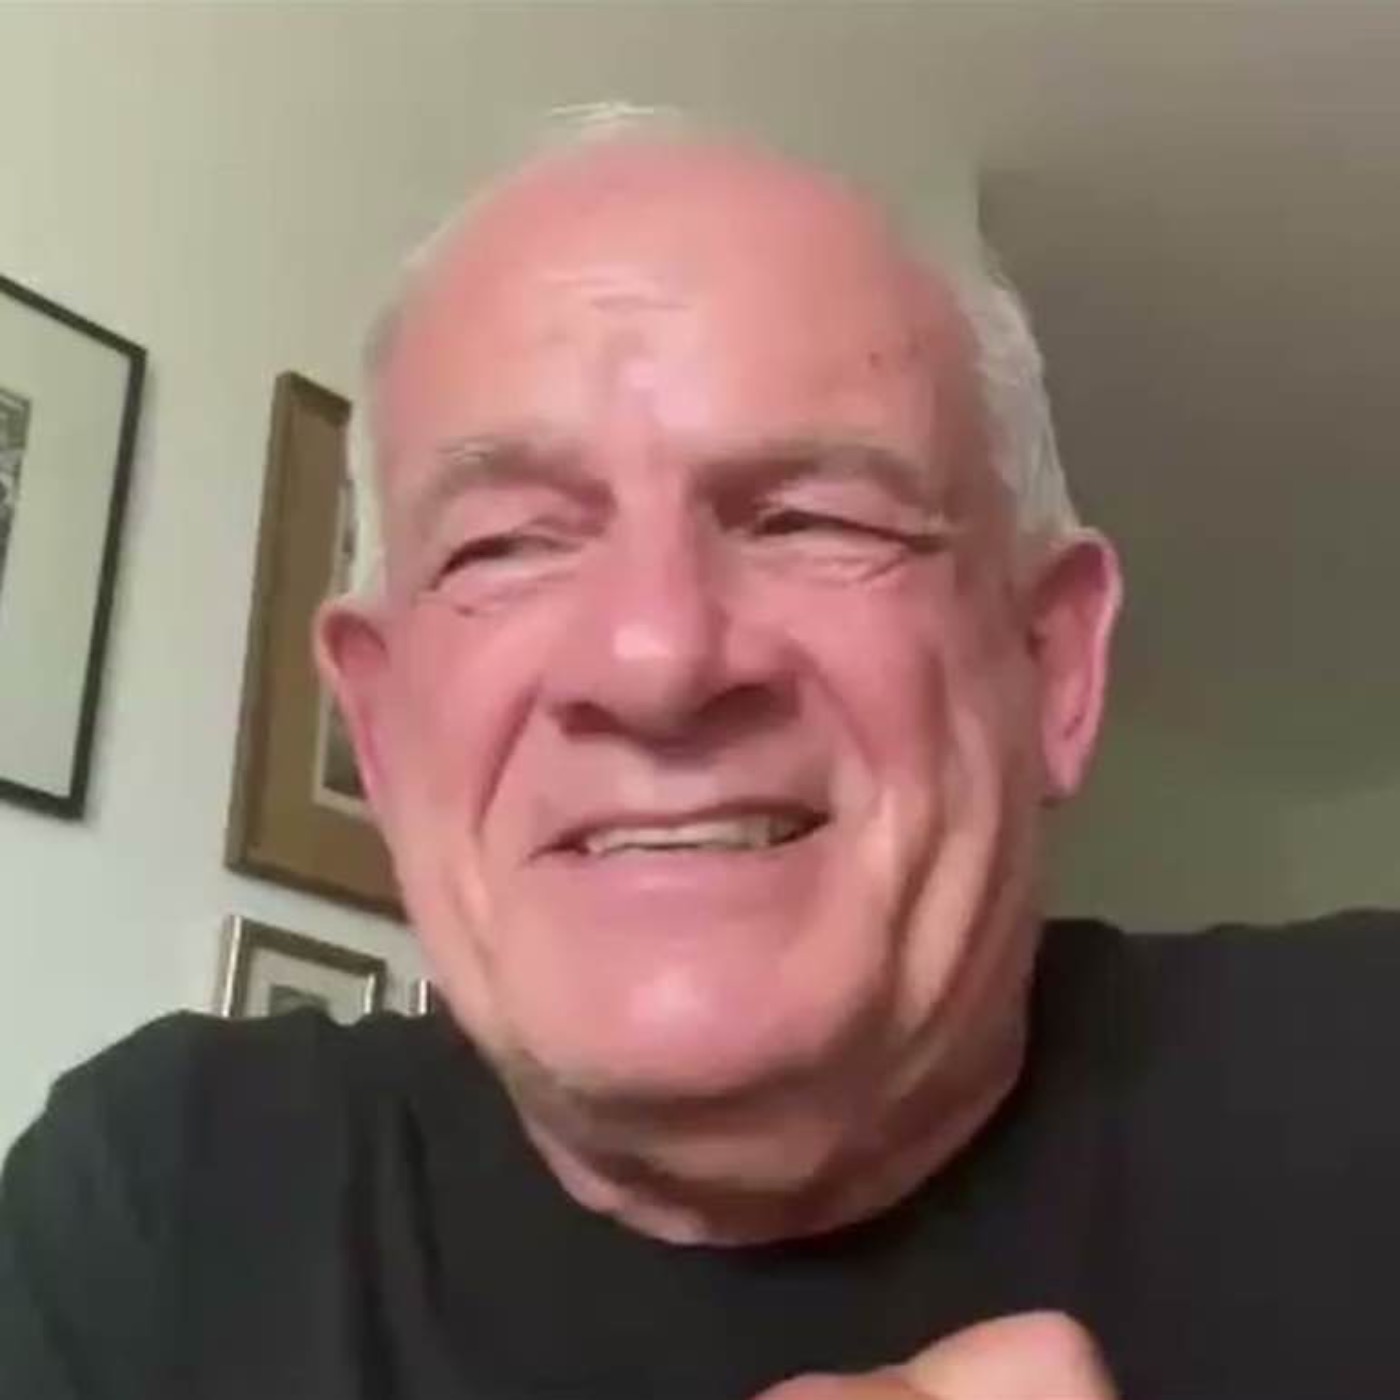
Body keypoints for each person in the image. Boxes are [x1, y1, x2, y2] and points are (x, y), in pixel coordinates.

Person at [2, 109, 1398, 1400]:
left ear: (1055, 666)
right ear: (379, 727)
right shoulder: (167, 1198)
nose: (657, 659)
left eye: (815, 519)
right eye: (507, 546)